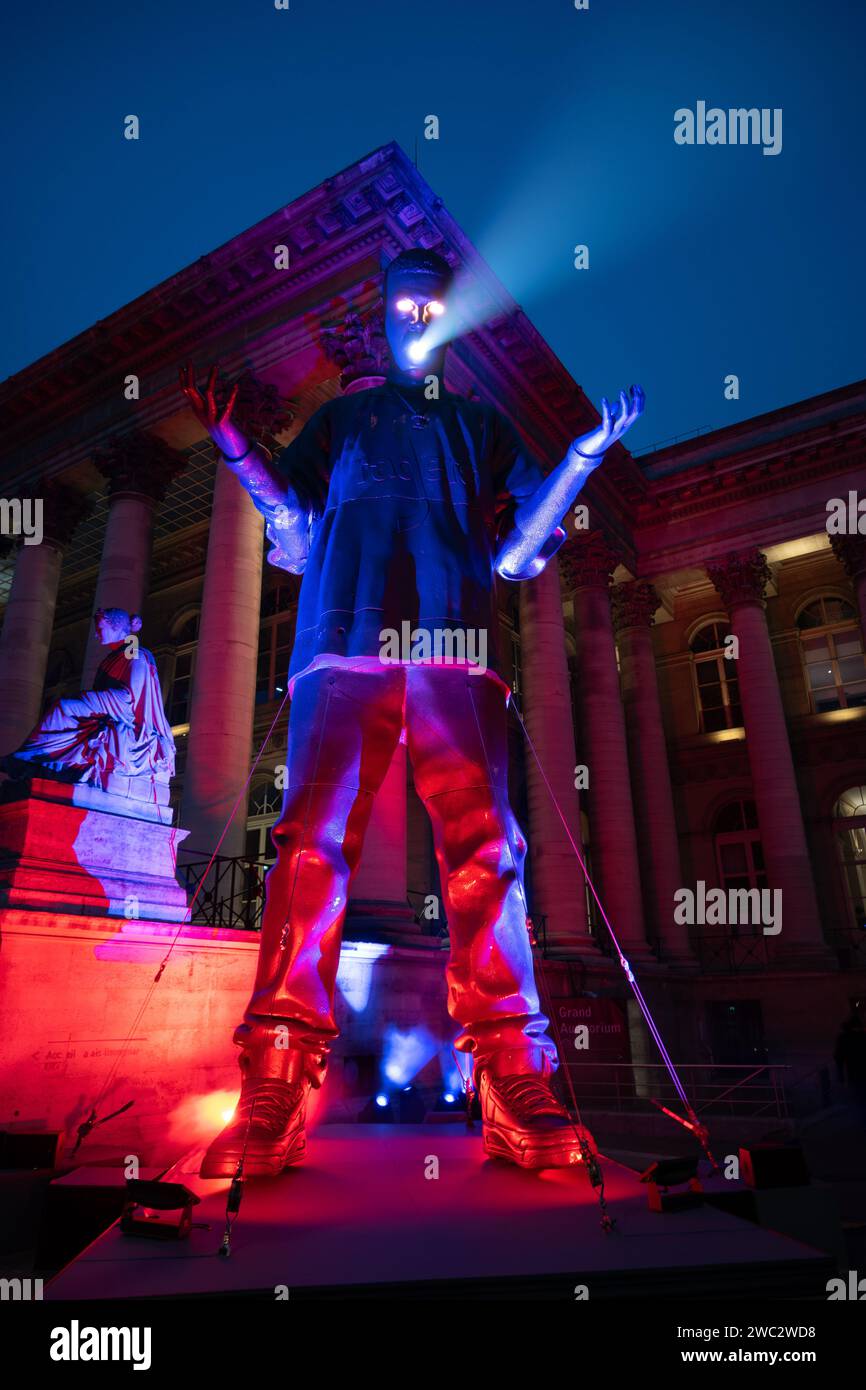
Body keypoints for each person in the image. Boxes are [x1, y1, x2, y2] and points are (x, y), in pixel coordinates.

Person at [180, 248, 644, 1177]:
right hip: (343, 646)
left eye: (436, 304)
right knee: (308, 843)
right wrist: (237, 452)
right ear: (387, 316)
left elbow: (515, 553)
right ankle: (277, 1068)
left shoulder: (481, 424)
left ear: (451, 319)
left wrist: (583, 457)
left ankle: (513, 1067)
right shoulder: (340, 417)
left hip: (456, 650)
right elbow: (300, 527)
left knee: (487, 850)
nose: (419, 316)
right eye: (404, 302)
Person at [4, 608, 174, 793]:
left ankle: (27, 757)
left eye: (100, 628)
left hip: (127, 716)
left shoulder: (134, 653)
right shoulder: (112, 658)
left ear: (117, 628)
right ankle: (38, 760)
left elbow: (131, 699)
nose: (96, 634)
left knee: (65, 707)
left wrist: (88, 699)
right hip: (107, 712)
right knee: (69, 711)